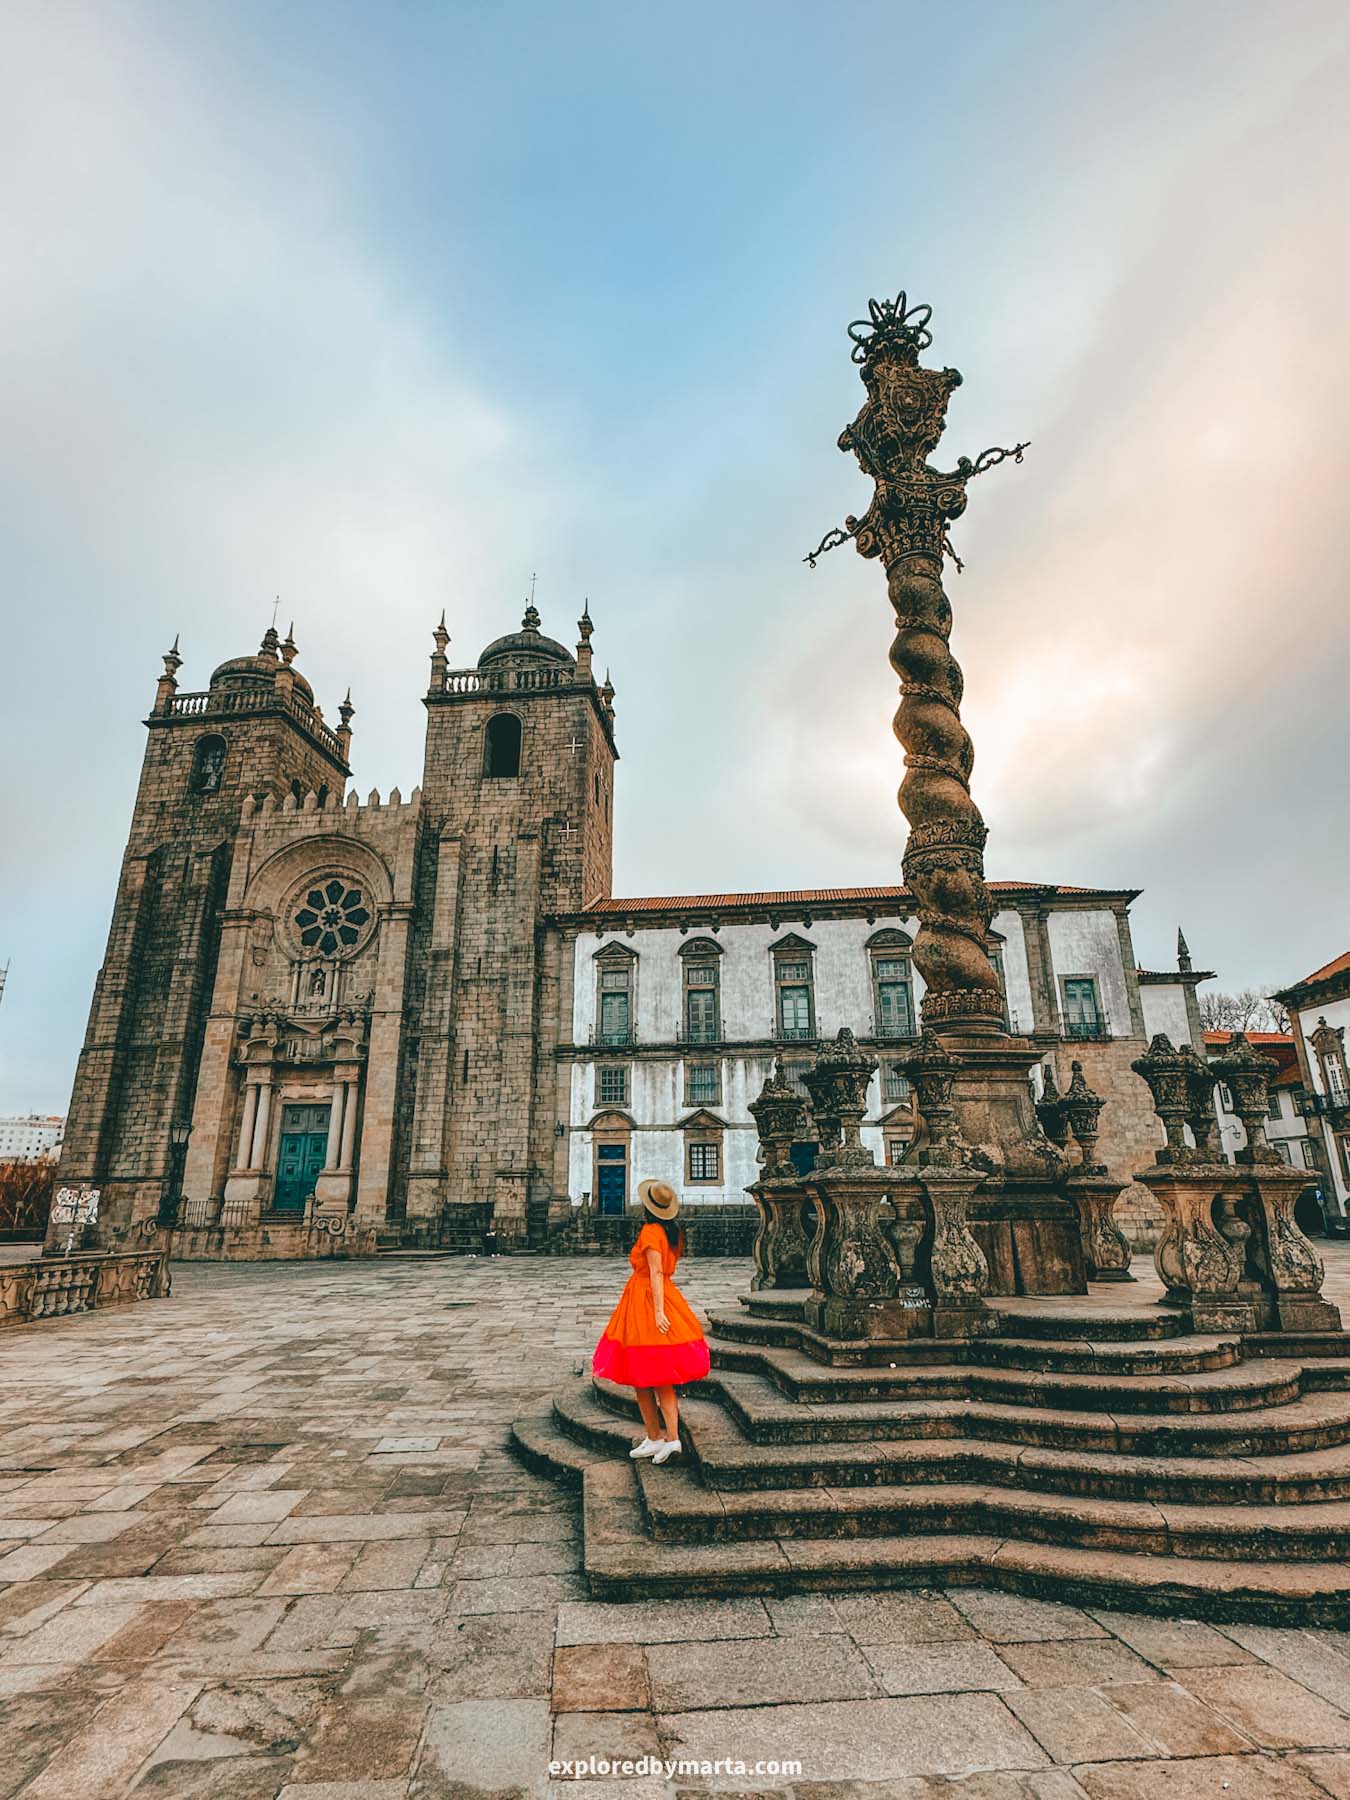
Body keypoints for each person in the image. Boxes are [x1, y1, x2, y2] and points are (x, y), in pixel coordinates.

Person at [592, 1178, 709, 1465]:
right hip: (652, 1297)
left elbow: (655, 1273)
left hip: (648, 1301)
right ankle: (654, 1435)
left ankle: (671, 1438)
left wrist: (658, 1312)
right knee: (642, 1376)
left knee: (656, 1375)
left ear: (648, 1206)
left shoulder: (650, 1231)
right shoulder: (672, 1233)